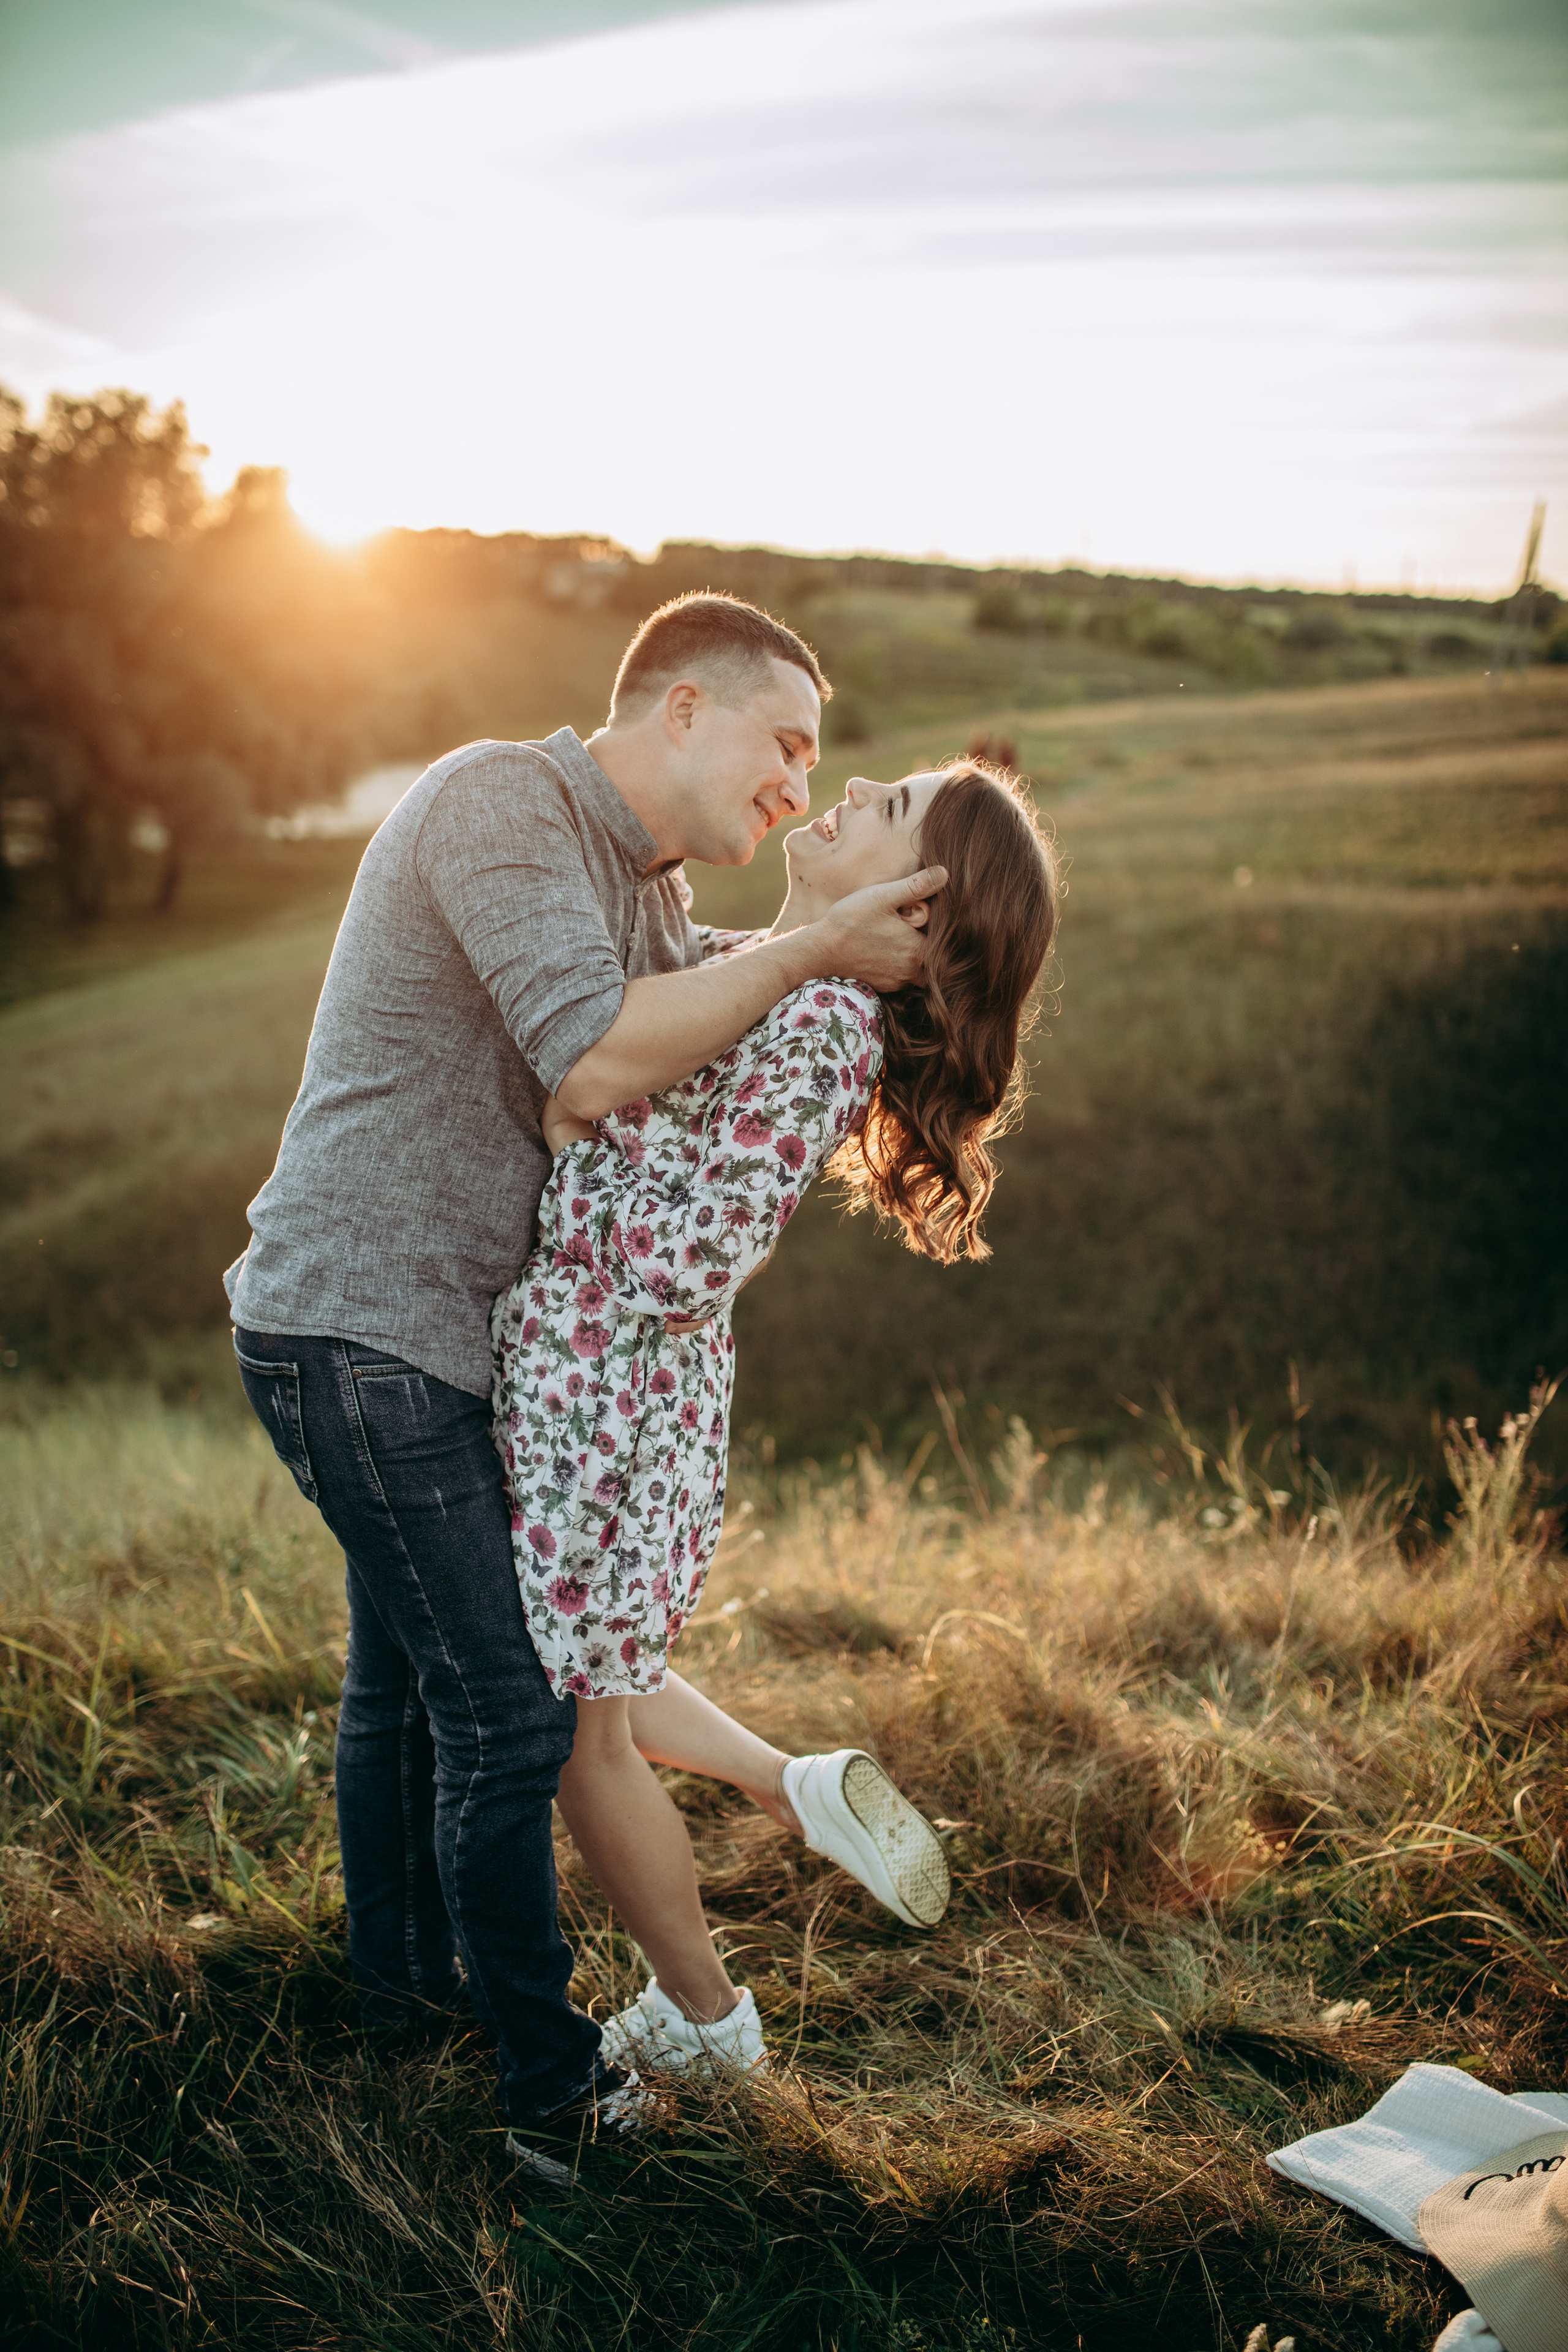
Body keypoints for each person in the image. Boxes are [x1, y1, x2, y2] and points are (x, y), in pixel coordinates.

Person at [225, 595, 946, 2147]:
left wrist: (837, 966)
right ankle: (546, 2100)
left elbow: (713, 1048)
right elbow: (595, 1058)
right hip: (365, 1326)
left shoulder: (651, 897)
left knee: (405, 1696)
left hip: (446, 1347)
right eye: (786, 741)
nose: (798, 782)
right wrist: (821, 935)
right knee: (509, 1722)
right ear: (680, 707)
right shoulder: (503, 799)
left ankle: (401, 2012)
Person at [492, 756, 1057, 2119]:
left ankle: (708, 2021)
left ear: (917, 915)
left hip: (608, 1409)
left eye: (891, 803)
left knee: (579, 1734)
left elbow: (690, 1258)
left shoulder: (818, 1026)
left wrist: (580, 1123)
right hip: (597, 1394)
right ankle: (790, 1785)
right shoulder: (779, 970)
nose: (851, 781)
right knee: (590, 1677)